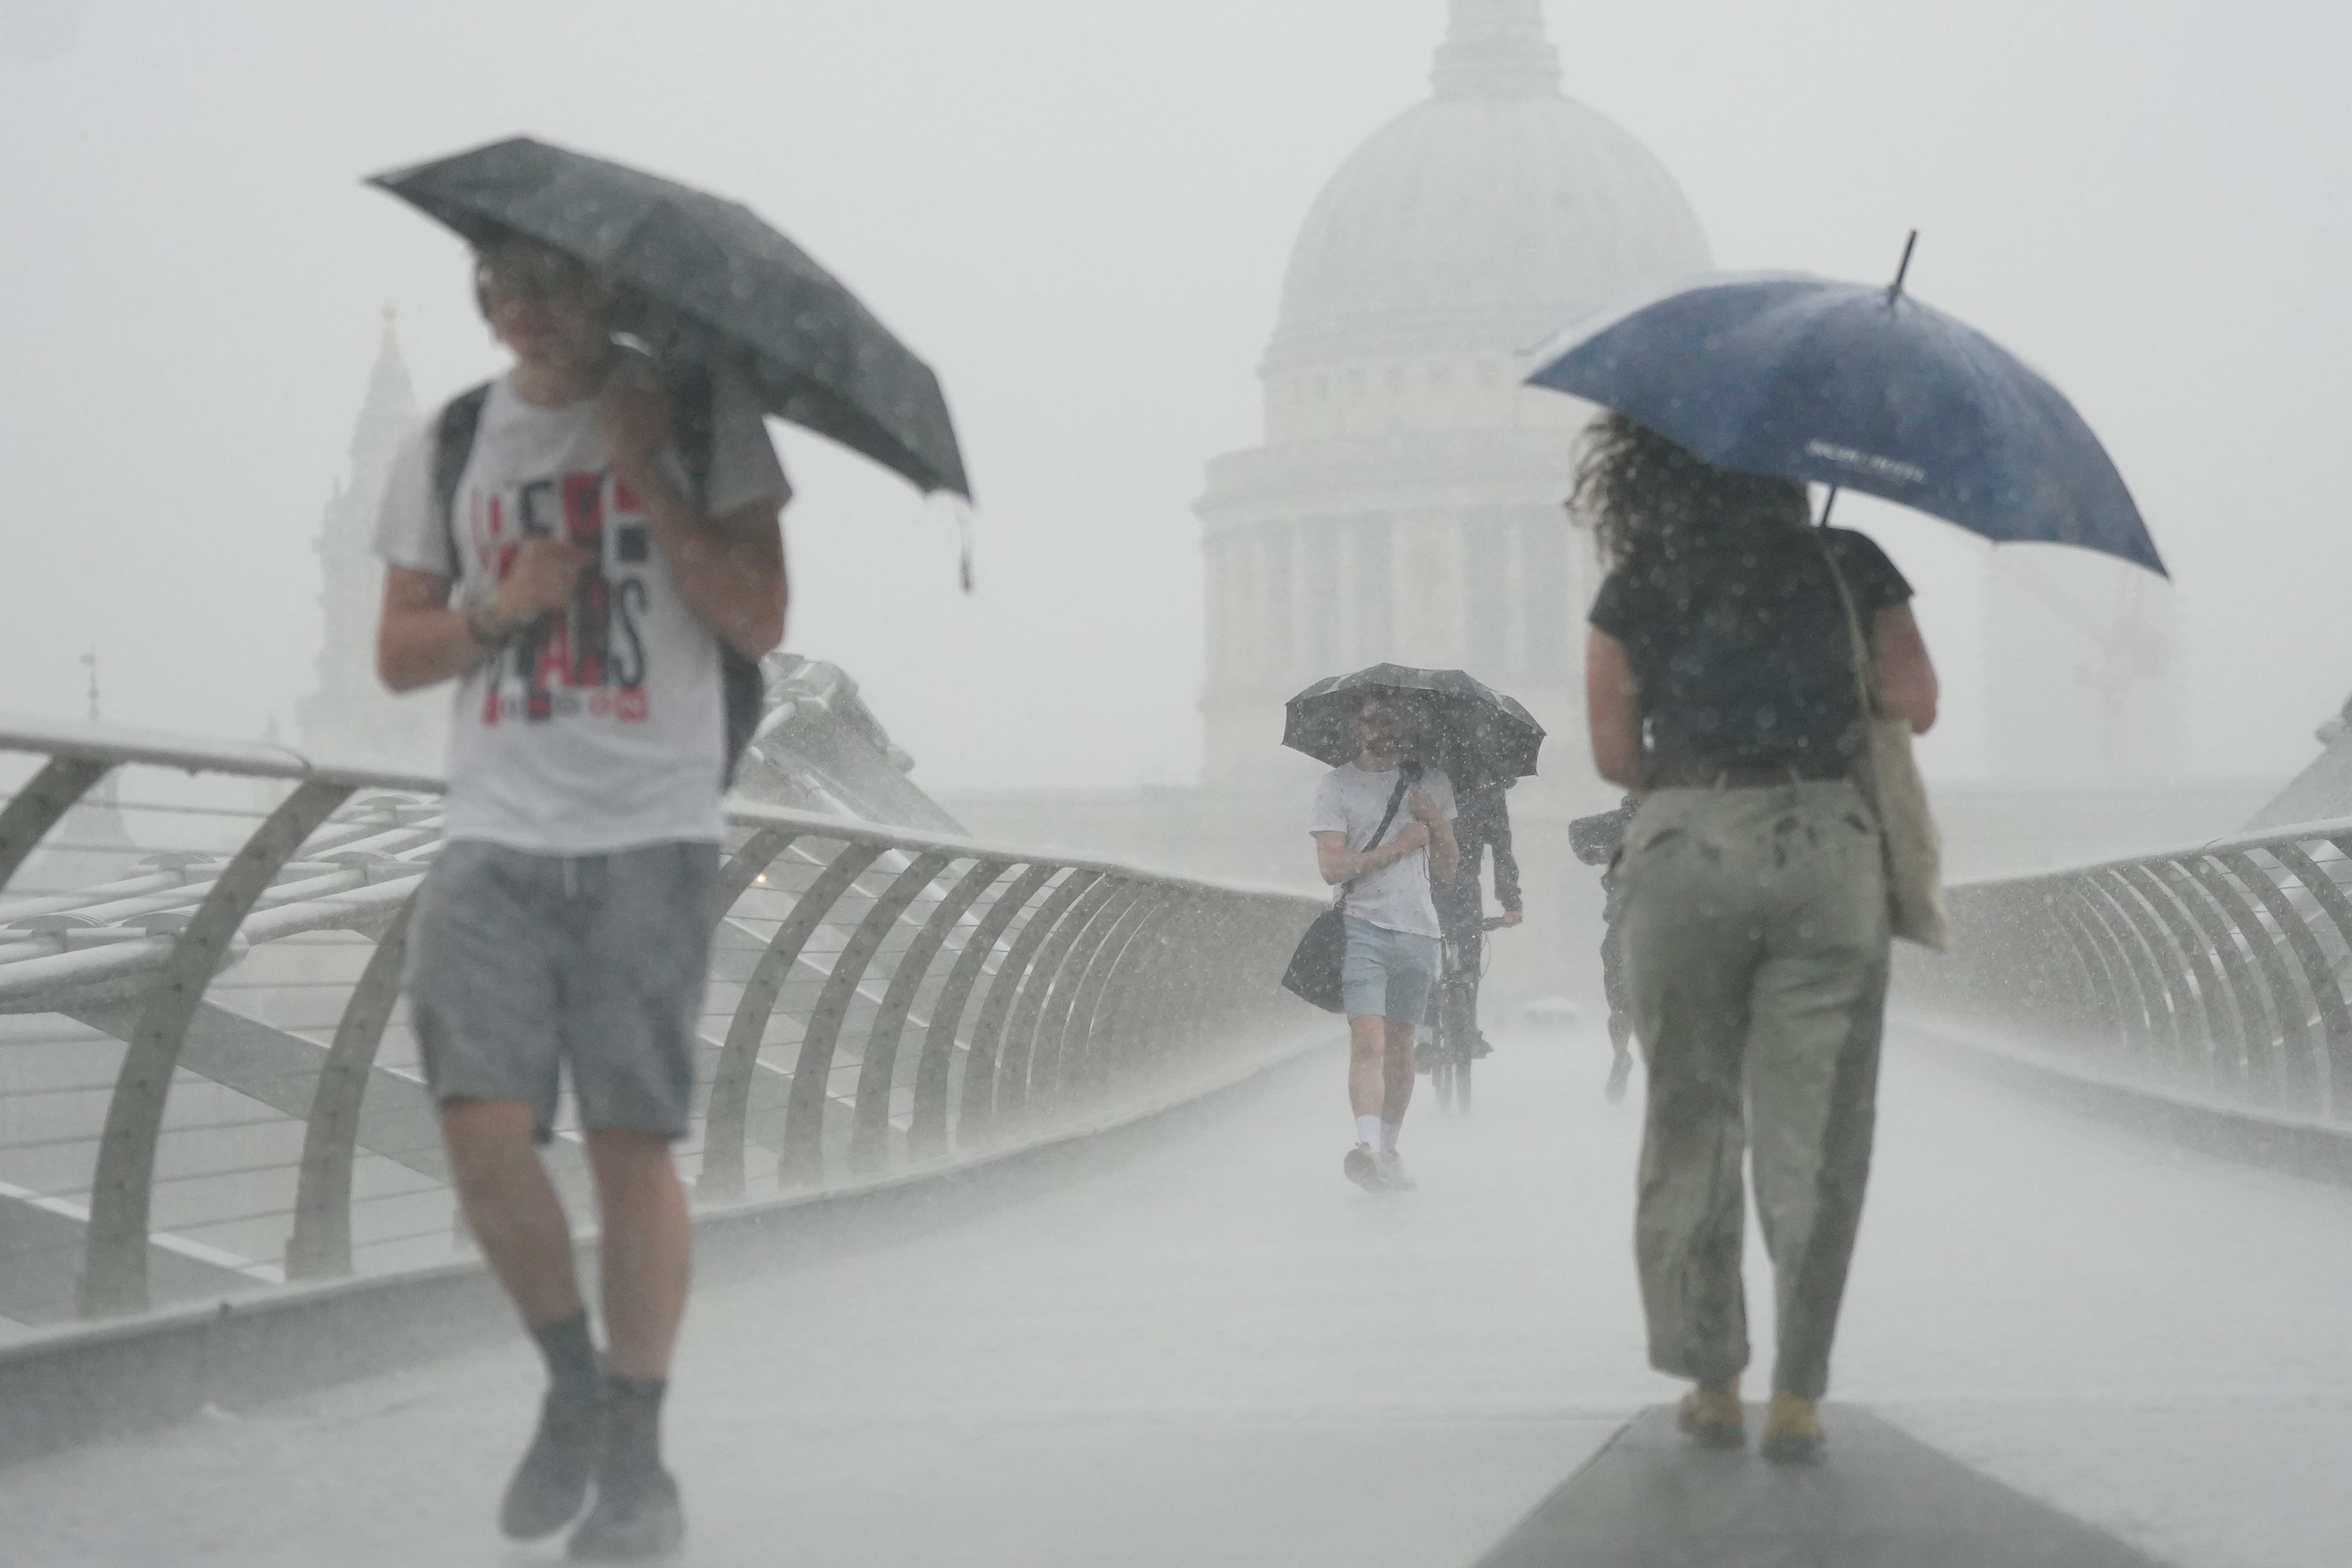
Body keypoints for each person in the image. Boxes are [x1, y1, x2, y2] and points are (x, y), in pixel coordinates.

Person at [374, 235, 789, 1558]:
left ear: (609, 289)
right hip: (494, 827)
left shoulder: (700, 416)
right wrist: (504, 608)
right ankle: (572, 1385)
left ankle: (639, 1447)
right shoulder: (450, 441)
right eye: (499, 283)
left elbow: (763, 616)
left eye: (550, 281)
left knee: (628, 1146)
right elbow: (399, 652)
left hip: (650, 830)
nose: (524, 309)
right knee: (482, 1131)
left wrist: (647, 488)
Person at [1576, 412, 1938, 1465]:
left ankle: (1712, 1375)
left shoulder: (1639, 577)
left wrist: (1695, 781)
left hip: (1689, 836)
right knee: (1816, 1125)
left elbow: (1610, 751)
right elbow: (1915, 700)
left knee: (1689, 1113)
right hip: (1826, 841)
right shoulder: (1850, 564)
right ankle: (1797, 1393)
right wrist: (1828, 677)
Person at [1309, 693, 1460, 1192]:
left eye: (1392, 720)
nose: (1382, 729)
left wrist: (1435, 821)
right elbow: (1331, 867)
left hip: (1419, 929)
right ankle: (1367, 1145)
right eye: (1373, 720)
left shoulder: (1431, 782)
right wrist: (1399, 845)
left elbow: (1447, 869)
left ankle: (1389, 1147)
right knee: (1366, 1041)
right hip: (1362, 928)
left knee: (1401, 1049)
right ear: (1357, 726)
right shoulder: (1337, 786)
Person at [1425, 777, 1521, 1063]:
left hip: (1425, 878)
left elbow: (1502, 847)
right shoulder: (1487, 788)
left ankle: (1427, 1034)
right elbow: (1502, 846)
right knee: (1468, 957)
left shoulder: (1424, 777)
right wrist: (1510, 901)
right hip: (1462, 882)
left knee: (1428, 955)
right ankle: (1465, 1028)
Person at [1569, 795, 1638, 1101]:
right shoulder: (1679, 819)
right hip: (1665, 924)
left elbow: (1578, 832)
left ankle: (1621, 1052)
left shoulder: (1618, 822)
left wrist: (1599, 854)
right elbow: (1578, 833)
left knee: (1620, 1007)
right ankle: (1624, 1053)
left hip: (1625, 925)